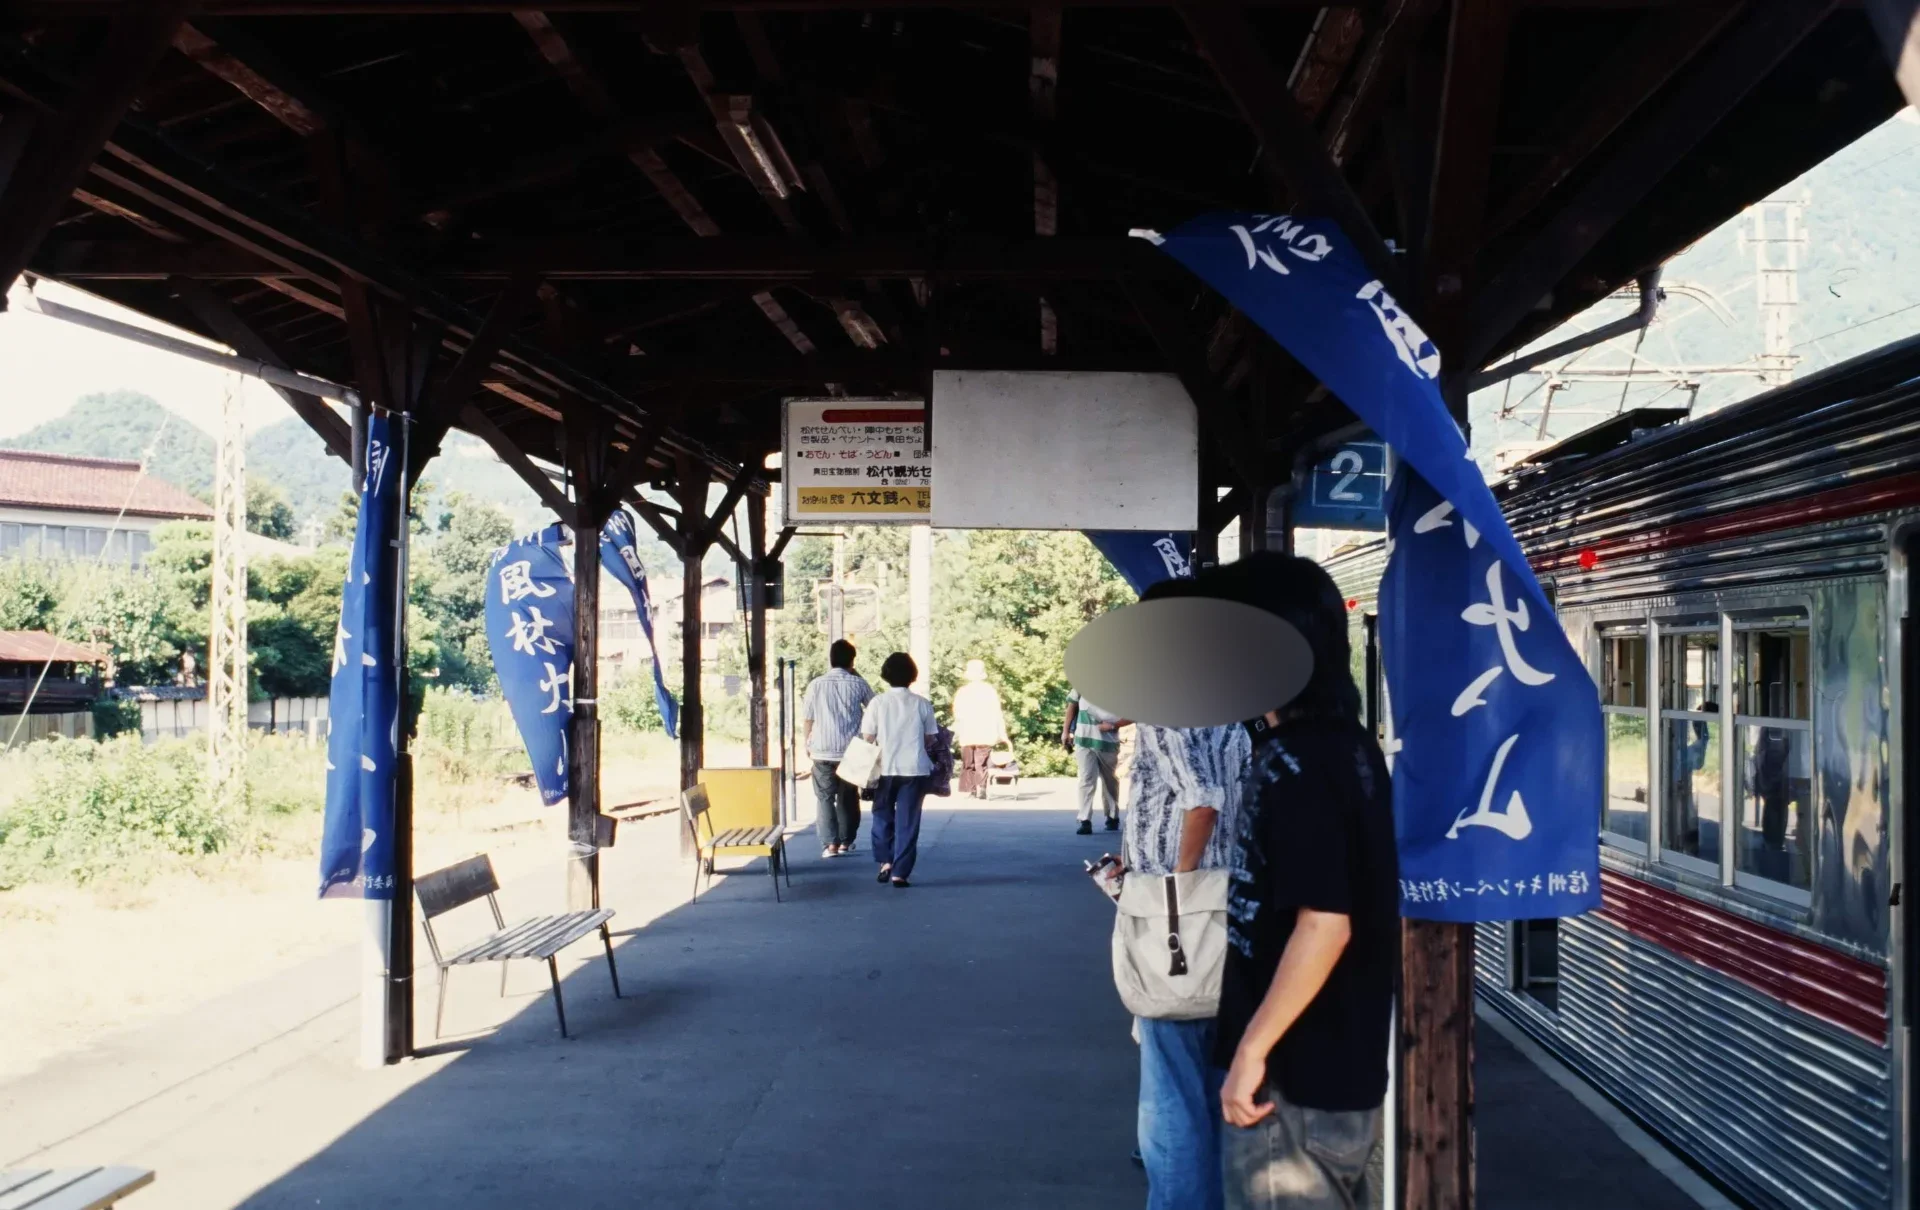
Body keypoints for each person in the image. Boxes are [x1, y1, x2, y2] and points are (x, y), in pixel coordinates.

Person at [1197, 554, 1399, 1210]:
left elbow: (1325, 922)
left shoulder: (1297, 762)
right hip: (1341, 1070)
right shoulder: (1348, 746)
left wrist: (1253, 1050)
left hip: (1292, 1084)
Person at [1115, 577, 1254, 1210]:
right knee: (1213, 1073)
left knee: (1169, 1081)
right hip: (1229, 902)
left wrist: (1174, 886)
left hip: (1180, 910)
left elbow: (1203, 801)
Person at [859, 652, 939, 888]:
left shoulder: (877, 703)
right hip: (915, 769)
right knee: (908, 821)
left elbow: (868, 737)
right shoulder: (923, 704)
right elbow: (931, 739)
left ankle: (885, 861)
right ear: (912, 676)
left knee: (882, 815)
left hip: (885, 768)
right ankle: (900, 873)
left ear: (886, 675)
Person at [802, 639, 874, 858]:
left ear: (830, 659)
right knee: (848, 796)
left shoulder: (816, 684)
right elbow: (874, 708)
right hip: (852, 750)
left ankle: (829, 845)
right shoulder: (858, 684)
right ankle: (846, 841)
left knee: (824, 797)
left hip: (822, 749)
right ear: (852, 661)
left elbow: (808, 718)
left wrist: (808, 743)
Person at [1063, 689, 1126, 834]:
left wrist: (1113, 726)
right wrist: (1065, 731)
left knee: (1109, 780)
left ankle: (1112, 816)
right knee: (1086, 779)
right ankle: (1085, 819)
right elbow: (1072, 706)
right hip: (1084, 739)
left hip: (1107, 742)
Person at [952, 658, 1009, 798]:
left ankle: (971, 790)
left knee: (968, 763)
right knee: (981, 763)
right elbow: (997, 713)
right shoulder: (990, 691)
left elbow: (957, 713)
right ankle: (982, 787)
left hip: (967, 732)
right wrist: (1002, 733)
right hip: (986, 733)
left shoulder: (963, 692)